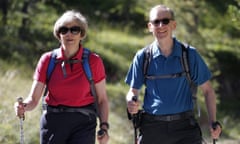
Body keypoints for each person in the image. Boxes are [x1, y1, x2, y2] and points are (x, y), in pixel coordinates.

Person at [125, 4, 222, 144]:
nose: (160, 25)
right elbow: (132, 91)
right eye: (155, 22)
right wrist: (130, 100)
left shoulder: (190, 55)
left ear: (173, 25)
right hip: (152, 129)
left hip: (185, 129)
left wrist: (213, 121)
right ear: (149, 27)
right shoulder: (142, 57)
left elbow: (208, 91)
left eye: (165, 21)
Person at [14, 10, 109, 144]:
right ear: (59, 34)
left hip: (83, 123)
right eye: (64, 30)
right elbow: (34, 99)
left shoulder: (93, 61)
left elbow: (102, 99)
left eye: (74, 30)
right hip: (53, 122)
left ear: (81, 34)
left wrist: (104, 127)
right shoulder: (47, 60)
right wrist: (23, 106)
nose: (69, 34)